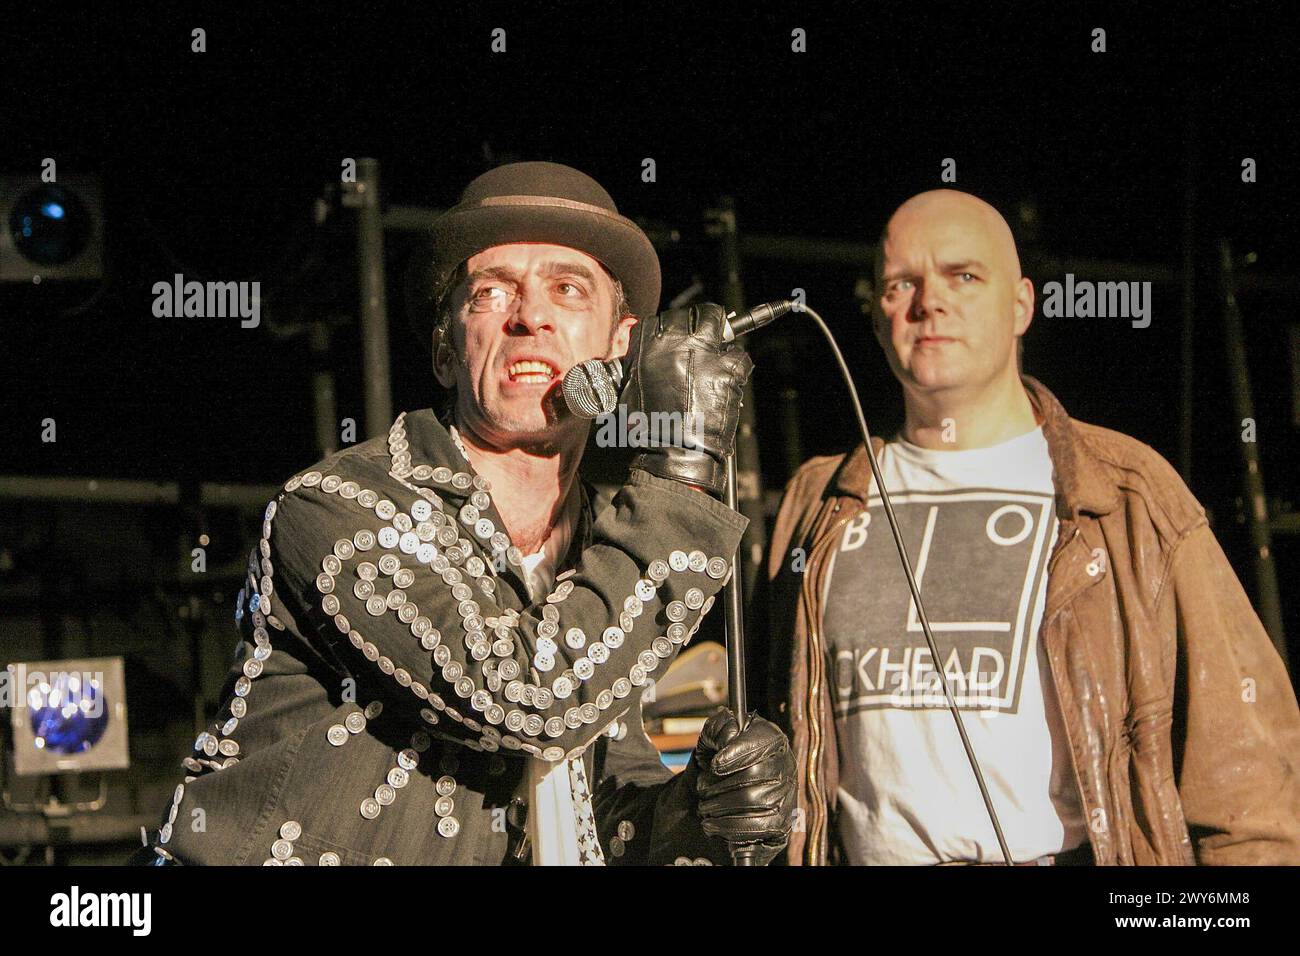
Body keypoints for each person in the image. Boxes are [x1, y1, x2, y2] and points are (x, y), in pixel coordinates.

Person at [143, 161, 795, 865]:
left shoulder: (607, 541)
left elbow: (595, 805)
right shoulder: (337, 509)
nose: (530, 315)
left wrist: (695, 814)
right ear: (447, 352)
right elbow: (530, 699)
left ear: (624, 348)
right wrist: (683, 475)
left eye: (568, 289)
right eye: (491, 293)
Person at [764, 189, 1300, 865]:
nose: (931, 302)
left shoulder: (1127, 497)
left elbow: (1248, 783)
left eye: (964, 276)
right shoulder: (819, 501)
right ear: (877, 313)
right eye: (903, 283)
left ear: (1021, 305)